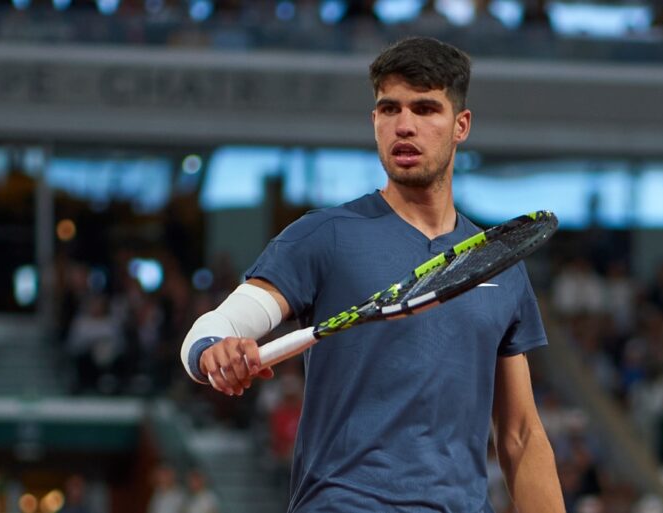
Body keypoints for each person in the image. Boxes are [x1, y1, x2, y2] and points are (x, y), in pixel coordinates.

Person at [181, 36, 564, 512]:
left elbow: (522, 436)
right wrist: (213, 353)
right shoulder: (323, 236)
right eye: (390, 109)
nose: (405, 126)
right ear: (375, 121)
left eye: (425, 109)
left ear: (460, 126)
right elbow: (215, 330)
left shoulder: (498, 264)